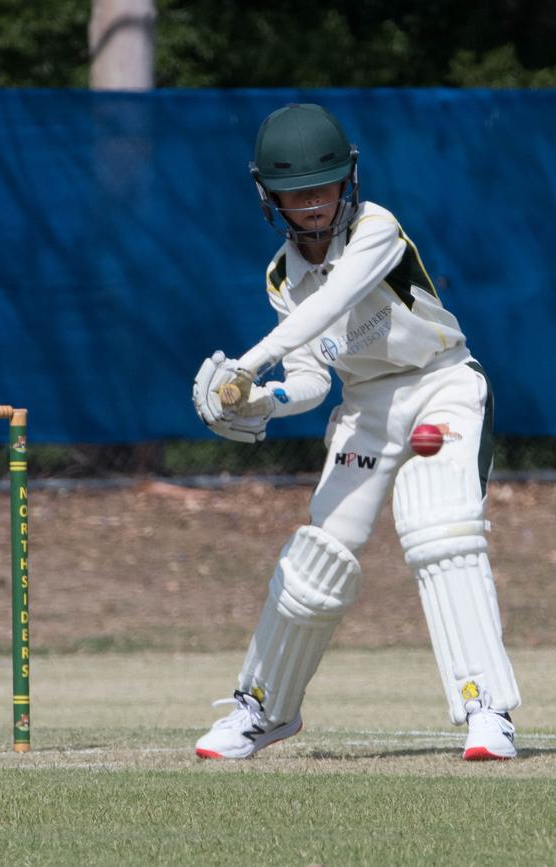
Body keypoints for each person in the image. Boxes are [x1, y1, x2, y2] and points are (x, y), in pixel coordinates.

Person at [192, 103, 520, 761]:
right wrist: (260, 401)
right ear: (269, 195)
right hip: (367, 406)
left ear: (350, 179)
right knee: (315, 554)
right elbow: (312, 375)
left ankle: (488, 710)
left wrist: (245, 367)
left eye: (325, 184)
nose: (313, 202)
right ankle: (263, 709)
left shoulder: (378, 231)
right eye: (297, 191)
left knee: (441, 529)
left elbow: (334, 304)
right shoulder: (282, 277)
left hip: (442, 384)